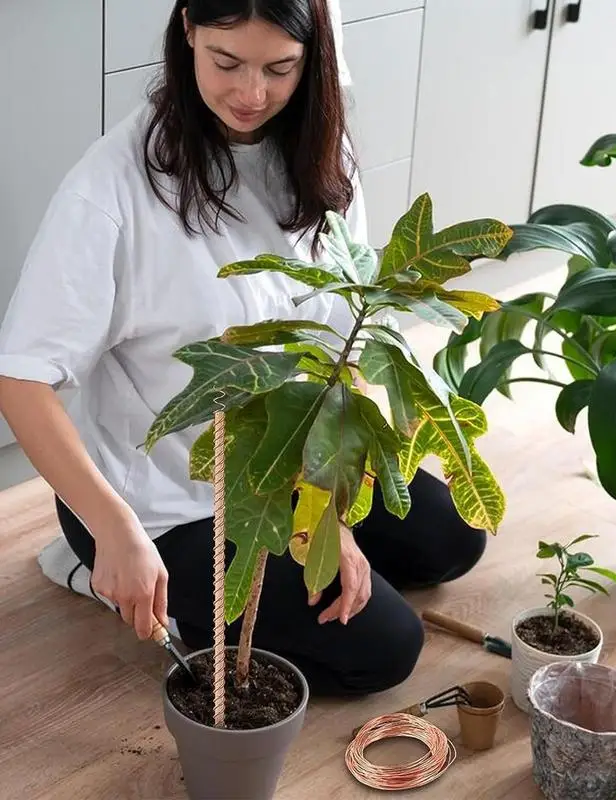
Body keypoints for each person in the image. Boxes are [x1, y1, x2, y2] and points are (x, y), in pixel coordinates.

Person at [0, 0, 486, 697]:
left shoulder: (322, 154)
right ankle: (98, 571)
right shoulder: (109, 189)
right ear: (189, 32)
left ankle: (284, 574)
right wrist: (113, 528)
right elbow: (20, 380)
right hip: (163, 502)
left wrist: (327, 514)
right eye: (226, 63)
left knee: (452, 539)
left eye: (279, 69)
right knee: (387, 649)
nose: (252, 95)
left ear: (312, 58)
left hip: (292, 464)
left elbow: (340, 337)